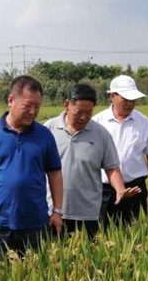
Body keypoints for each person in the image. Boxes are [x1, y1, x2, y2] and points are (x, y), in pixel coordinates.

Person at [0, 75, 63, 269]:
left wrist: (57, 211)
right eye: (27, 106)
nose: (33, 112)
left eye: (37, 106)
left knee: (35, 278)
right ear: (11, 100)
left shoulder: (44, 134)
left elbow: (55, 173)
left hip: (35, 224)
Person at [44, 83, 140, 239]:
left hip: (87, 214)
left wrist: (120, 189)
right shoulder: (49, 129)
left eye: (89, 113)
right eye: (79, 112)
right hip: (53, 211)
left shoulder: (101, 133)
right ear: (67, 105)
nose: (83, 118)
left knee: (86, 252)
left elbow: (112, 168)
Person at [93, 75, 148, 226]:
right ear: (112, 96)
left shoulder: (144, 122)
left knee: (135, 230)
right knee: (102, 231)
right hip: (104, 190)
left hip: (135, 189)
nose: (130, 103)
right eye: (125, 99)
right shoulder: (97, 122)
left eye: (133, 99)